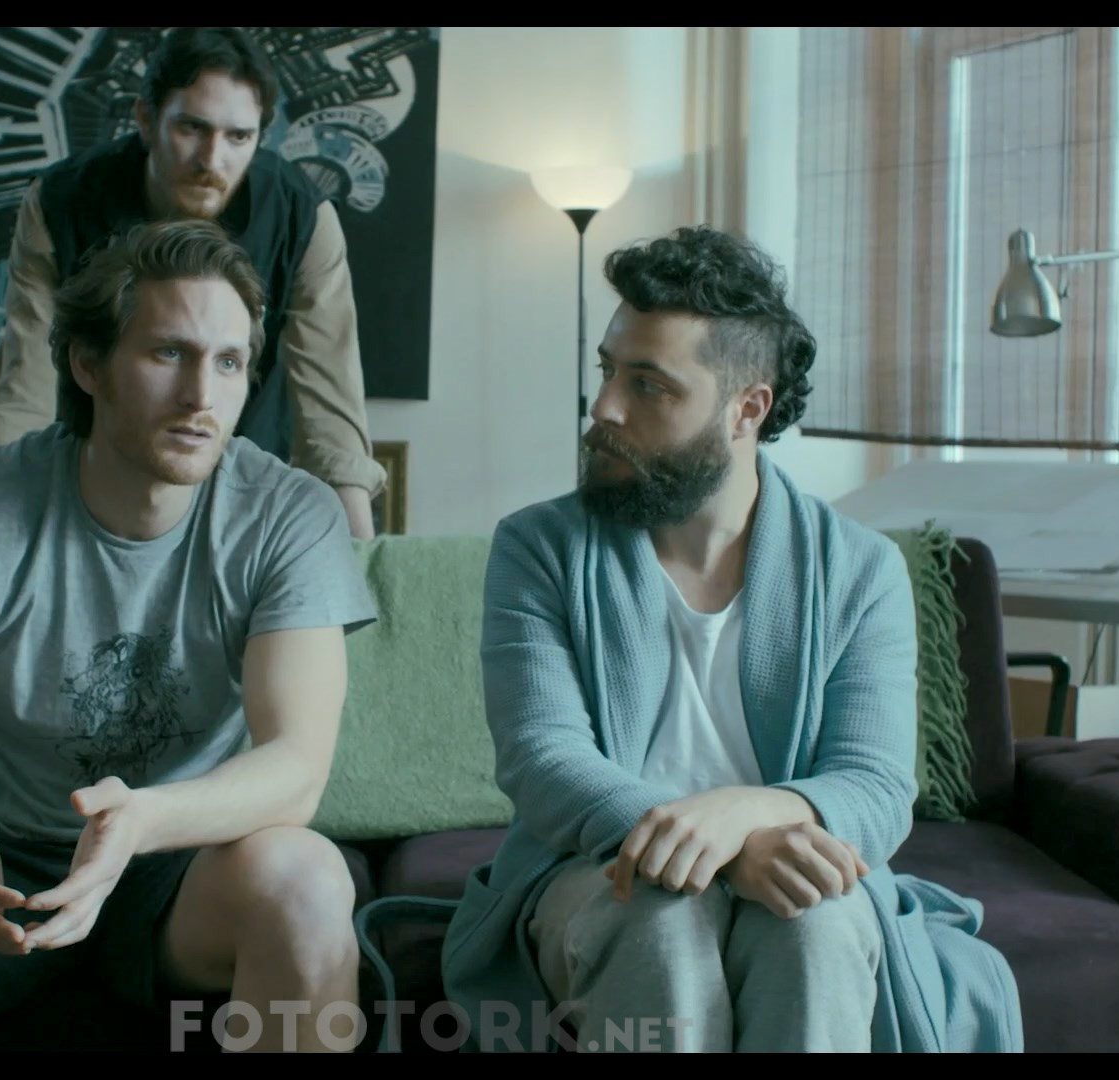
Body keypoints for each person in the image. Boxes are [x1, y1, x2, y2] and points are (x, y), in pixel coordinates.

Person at [0, 219, 379, 1052]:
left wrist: (141, 822)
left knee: (307, 880)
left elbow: (296, 768)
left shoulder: (287, 514)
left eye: (229, 362)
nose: (202, 395)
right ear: (89, 364)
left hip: (180, 868)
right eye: (169, 353)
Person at [438, 227, 1022, 1053]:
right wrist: (720, 849)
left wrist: (747, 815)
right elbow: (544, 759)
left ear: (748, 408)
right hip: (597, 871)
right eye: (608, 371)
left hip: (795, 870)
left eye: (649, 385)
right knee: (659, 921)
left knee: (816, 926)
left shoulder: (861, 570)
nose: (605, 408)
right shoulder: (539, 549)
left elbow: (875, 783)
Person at [0, 26, 387, 539]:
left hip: (243, 489)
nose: (212, 160)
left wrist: (361, 554)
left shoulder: (303, 216)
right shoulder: (60, 202)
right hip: (92, 486)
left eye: (238, 137)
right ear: (146, 120)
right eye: (192, 128)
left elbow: (329, 391)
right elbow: (27, 376)